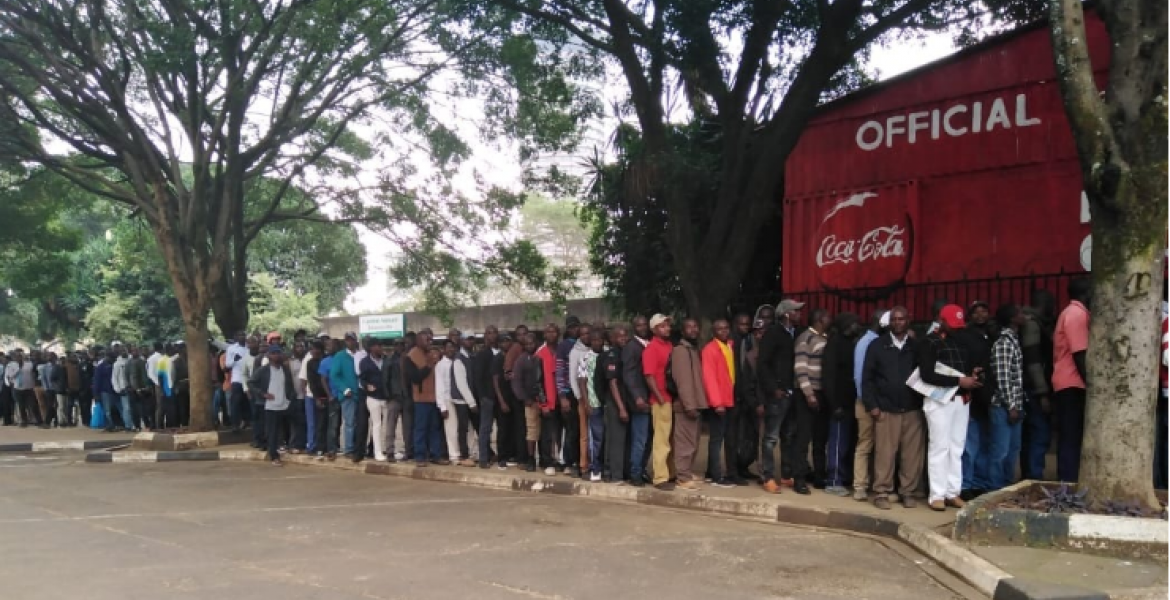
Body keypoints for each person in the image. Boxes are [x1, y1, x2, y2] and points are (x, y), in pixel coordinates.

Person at [919, 304, 984, 511]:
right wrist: (959, 381)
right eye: (952, 324)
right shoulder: (929, 342)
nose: (956, 328)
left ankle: (952, 492)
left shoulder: (960, 341)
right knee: (940, 447)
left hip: (961, 400)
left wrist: (972, 375)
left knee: (957, 447)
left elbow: (964, 369)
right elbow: (927, 375)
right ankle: (936, 495)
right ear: (941, 321)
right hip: (939, 401)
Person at [862, 307, 925, 510]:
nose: (898, 323)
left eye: (901, 319)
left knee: (911, 455)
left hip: (912, 409)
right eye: (894, 319)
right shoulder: (877, 345)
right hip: (886, 408)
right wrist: (872, 405)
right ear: (889, 322)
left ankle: (907, 492)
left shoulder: (916, 346)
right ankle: (881, 492)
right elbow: (867, 378)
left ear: (908, 320)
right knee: (885, 454)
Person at [758, 299, 805, 492]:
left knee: (789, 435)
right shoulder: (773, 333)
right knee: (771, 437)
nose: (799, 314)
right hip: (778, 393)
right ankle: (768, 476)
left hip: (793, 392)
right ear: (786, 314)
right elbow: (763, 364)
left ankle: (786, 474)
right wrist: (773, 388)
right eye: (796, 311)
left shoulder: (796, 333)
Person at [1053, 278, 1091, 482]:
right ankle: (1068, 482)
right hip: (1073, 383)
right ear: (1086, 293)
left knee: (1071, 435)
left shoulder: (1072, 312)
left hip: (1069, 382)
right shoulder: (1076, 314)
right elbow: (1079, 352)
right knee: (1071, 436)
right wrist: (1091, 383)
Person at [822, 312, 861, 497]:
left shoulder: (851, 344)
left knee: (847, 442)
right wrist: (834, 404)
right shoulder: (835, 344)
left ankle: (843, 477)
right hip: (839, 404)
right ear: (847, 325)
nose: (858, 326)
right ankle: (833, 480)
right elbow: (829, 377)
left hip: (850, 402)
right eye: (855, 323)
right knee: (837, 443)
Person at [959, 300, 995, 500]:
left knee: (984, 444)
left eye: (984, 311)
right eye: (976, 312)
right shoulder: (966, 336)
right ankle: (966, 484)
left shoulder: (991, 335)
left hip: (987, 398)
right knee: (970, 446)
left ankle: (979, 483)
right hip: (972, 396)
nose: (981, 315)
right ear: (970, 316)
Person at [989, 304, 1026, 491]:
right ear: (1012, 319)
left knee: (1013, 449)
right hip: (1003, 406)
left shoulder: (1013, 340)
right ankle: (995, 488)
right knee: (1001, 451)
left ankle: (1006, 486)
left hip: (1014, 405)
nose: (1024, 315)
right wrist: (1011, 405)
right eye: (1020, 313)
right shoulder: (1004, 343)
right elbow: (1002, 378)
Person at [794, 308, 832, 491]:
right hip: (808, 394)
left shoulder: (825, 338)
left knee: (820, 438)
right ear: (820, 319)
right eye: (828, 316)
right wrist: (809, 394)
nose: (830, 319)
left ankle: (819, 476)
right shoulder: (805, 338)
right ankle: (799, 478)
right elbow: (800, 368)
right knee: (803, 438)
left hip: (822, 392)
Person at [851, 310, 887, 501]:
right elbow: (859, 377)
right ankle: (860, 486)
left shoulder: (878, 341)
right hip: (866, 402)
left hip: (879, 402)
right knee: (865, 444)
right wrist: (868, 402)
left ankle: (875, 484)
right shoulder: (866, 342)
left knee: (880, 446)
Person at [1020, 290, 1056, 480]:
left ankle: (1030, 473)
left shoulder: (1031, 322)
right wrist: (1042, 392)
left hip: (1029, 386)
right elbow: (1033, 361)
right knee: (1039, 433)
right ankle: (1034, 476)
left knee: (1030, 433)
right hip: (1033, 388)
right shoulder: (1033, 325)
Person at [695, 318, 734, 489]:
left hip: (729, 399)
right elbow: (709, 378)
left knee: (723, 438)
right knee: (716, 440)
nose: (723, 331)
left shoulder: (729, 346)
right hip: (719, 402)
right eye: (719, 329)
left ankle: (711, 472)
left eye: (726, 328)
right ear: (713, 332)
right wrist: (717, 403)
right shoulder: (710, 350)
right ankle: (717, 476)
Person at [643, 314, 676, 491]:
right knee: (661, 440)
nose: (667, 328)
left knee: (670, 439)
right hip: (661, 400)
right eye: (662, 326)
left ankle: (671, 473)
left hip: (671, 397)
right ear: (654, 329)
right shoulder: (651, 349)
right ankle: (660, 477)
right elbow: (649, 376)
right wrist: (660, 397)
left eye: (667, 325)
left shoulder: (669, 346)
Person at [249, 345, 297, 467]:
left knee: (288, 428)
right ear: (269, 355)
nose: (277, 355)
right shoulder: (263, 370)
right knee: (272, 431)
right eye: (274, 353)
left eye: (278, 353)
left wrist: (290, 398)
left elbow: (290, 385)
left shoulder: (284, 369)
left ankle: (286, 447)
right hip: (270, 406)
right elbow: (251, 383)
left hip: (284, 404)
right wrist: (262, 394)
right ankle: (273, 455)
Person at [406, 330, 445, 466]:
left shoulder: (432, 354)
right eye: (426, 340)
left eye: (430, 340)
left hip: (434, 398)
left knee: (435, 429)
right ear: (418, 341)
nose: (430, 342)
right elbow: (415, 378)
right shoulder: (411, 356)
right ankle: (420, 457)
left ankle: (436, 455)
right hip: (420, 399)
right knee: (421, 429)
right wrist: (428, 365)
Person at [513, 333, 550, 473]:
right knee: (532, 431)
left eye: (532, 343)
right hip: (530, 401)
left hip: (545, 400)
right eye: (527, 344)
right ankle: (531, 459)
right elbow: (516, 382)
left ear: (536, 342)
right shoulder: (521, 360)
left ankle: (545, 459)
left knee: (545, 432)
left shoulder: (541, 356)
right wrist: (525, 398)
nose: (530, 346)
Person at [438, 339, 478, 466]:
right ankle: (454, 455)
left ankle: (469, 453)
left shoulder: (458, 361)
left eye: (453, 347)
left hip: (458, 399)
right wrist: (442, 406)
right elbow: (439, 386)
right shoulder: (441, 365)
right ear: (443, 350)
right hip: (448, 400)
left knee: (465, 428)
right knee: (451, 429)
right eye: (448, 347)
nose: (451, 349)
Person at [622, 316, 652, 485]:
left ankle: (642, 469)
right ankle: (635, 473)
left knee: (648, 439)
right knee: (639, 439)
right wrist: (637, 397)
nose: (643, 327)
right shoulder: (631, 347)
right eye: (639, 325)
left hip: (651, 398)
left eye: (644, 324)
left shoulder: (648, 344)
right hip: (639, 400)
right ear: (634, 328)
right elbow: (628, 374)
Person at [602, 326, 632, 484]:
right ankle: (616, 475)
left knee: (626, 439)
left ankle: (624, 472)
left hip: (626, 400)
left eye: (625, 335)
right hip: (615, 402)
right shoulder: (612, 355)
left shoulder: (625, 353)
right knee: (616, 440)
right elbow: (612, 383)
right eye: (620, 336)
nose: (623, 338)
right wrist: (621, 408)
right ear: (612, 338)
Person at [578, 329, 606, 482]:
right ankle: (595, 468)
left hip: (608, 403)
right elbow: (582, 381)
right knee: (596, 438)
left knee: (608, 438)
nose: (597, 342)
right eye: (594, 340)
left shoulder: (608, 354)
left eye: (599, 339)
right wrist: (587, 403)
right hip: (594, 403)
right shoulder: (586, 357)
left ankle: (607, 468)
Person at [329, 332, 362, 458]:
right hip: (348, 395)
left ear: (356, 341)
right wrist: (344, 389)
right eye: (348, 340)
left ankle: (358, 447)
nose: (350, 342)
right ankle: (349, 449)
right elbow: (334, 375)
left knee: (359, 423)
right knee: (349, 423)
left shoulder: (360, 355)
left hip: (360, 393)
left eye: (352, 340)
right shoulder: (340, 356)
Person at [494, 333, 524, 468]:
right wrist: (501, 401)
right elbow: (495, 381)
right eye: (502, 341)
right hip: (503, 398)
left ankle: (514, 455)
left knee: (515, 428)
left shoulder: (515, 355)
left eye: (507, 341)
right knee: (503, 429)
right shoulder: (498, 358)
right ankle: (502, 457)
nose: (505, 344)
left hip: (515, 397)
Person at [359, 339, 392, 462]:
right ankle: (377, 452)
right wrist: (367, 386)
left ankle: (388, 449)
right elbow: (362, 379)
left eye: (381, 345)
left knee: (388, 425)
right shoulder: (364, 362)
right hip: (373, 397)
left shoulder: (386, 360)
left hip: (386, 396)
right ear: (371, 348)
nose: (380, 348)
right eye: (378, 346)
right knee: (376, 425)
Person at [567, 320, 592, 478]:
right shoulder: (575, 352)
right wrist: (579, 397)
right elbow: (572, 377)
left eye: (588, 333)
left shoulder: (598, 349)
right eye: (582, 334)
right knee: (583, 434)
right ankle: (583, 465)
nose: (586, 336)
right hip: (583, 398)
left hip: (596, 398)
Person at [535, 324, 562, 471]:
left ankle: (557, 459)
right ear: (544, 335)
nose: (551, 334)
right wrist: (543, 403)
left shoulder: (561, 350)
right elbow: (537, 381)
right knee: (547, 433)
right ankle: (546, 461)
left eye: (554, 332)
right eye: (548, 332)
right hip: (547, 400)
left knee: (559, 432)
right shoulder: (540, 354)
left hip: (561, 399)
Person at [475, 326, 502, 469]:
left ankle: (502, 456)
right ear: (485, 335)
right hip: (488, 397)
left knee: (502, 428)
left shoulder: (502, 352)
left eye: (494, 332)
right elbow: (478, 378)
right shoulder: (482, 354)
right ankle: (483, 458)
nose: (492, 335)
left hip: (501, 397)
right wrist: (482, 397)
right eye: (489, 333)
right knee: (486, 428)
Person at [303, 341, 327, 457]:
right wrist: (317, 397)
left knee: (323, 423)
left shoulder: (325, 360)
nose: (314, 351)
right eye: (312, 349)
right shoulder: (309, 362)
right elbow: (311, 382)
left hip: (327, 395)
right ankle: (311, 446)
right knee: (312, 423)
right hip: (312, 396)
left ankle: (322, 446)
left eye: (316, 349)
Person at [224, 332, 250, 431]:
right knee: (236, 402)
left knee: (246, 402)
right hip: (237, 379)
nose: (242, 337)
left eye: (243, 335)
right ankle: (235, 424)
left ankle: (246, 421)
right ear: (236, 337)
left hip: (248, 379)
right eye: (240, 335)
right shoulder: (231, 349)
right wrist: (234, 360)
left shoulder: (249, 347)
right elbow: (228, 365)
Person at [94, 349, 120, 432]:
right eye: (112, 357)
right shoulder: (101, 367)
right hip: (105, 391)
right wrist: (96, 393)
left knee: (115, 409)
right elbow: (97, 381)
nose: (113, 359)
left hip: (115, 390)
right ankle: (109, 425)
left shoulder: (114, 365)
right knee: (107, 410)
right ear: (107, 357)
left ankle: (117, 424)